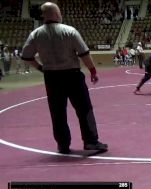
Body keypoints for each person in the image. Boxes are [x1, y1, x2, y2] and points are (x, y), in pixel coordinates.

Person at [21, 2, 108, 154]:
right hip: (72, 76)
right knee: (84, 109)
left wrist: (42, 68)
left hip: (52, 78)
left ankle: (63, 145)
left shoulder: (35, 34)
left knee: (57, 112)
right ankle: (91, 141)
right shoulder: (69, 31)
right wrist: (93, 71)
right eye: (59, 12)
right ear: (55, 14)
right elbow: (84, 54)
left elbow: (26, 56)